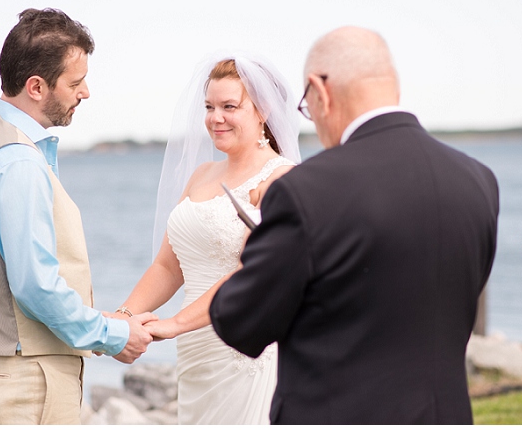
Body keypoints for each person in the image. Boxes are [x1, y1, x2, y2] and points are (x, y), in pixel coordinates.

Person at [209, 26, 500, 424]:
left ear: (319, 90)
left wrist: (259, 245)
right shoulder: (478, 180)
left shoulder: (304, 191)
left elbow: (240, 323)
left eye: (306, 106)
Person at [0, 8, 154, 424]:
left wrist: (99, 321)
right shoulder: (17, 162)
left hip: (0, 368)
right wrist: (113, 336)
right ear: (37, 86)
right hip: (28, 381)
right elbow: (36, 287)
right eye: (75, 83)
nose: (86, 93)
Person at [115, 54, 302, 424]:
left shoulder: (282, 179)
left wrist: (174, 323)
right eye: (209, 106)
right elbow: (168, 267)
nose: (215, 118)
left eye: (229, 106)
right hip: (195, 354)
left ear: (263, 111)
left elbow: (250, 274)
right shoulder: (202, 175)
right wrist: (123, 317)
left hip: (244, 350)